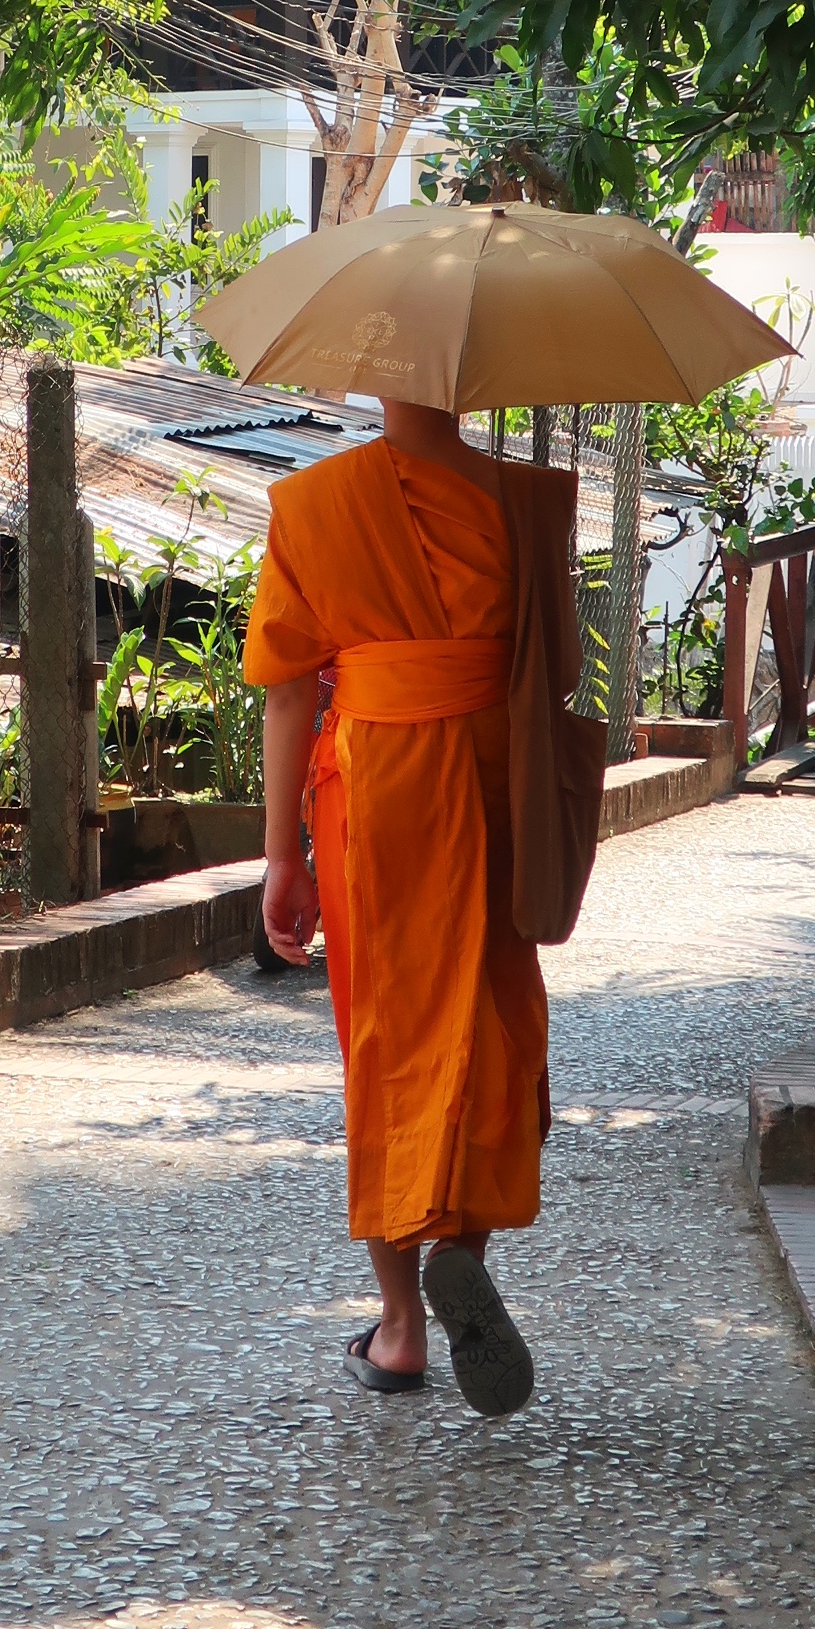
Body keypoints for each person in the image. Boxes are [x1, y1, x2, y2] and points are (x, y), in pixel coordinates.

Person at [242, 393, 591, 1417]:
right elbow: (559, 668)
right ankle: (459, 1252)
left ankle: (398, 1329)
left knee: (386, 1043)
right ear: (469, 380)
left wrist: (280, 860)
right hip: (493, 788)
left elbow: (286, 691)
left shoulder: (314, 503)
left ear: (374, 379)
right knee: (484, 1030)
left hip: (376, 794)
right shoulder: (527, 503)